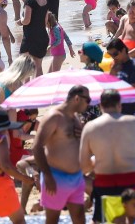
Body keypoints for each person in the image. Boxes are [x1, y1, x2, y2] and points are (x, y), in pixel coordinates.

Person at [80, 89, 135, 224]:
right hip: (131, 182)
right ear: (119, 105)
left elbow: (84, 166)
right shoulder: (132, 122)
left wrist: (95, 162)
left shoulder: (90, 127)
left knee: (100, 220)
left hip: (104, 184)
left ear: (100, 106)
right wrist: (132, 142)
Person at [32, 85, 91, 224]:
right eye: (87, 100)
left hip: (76, 177)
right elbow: (37, 146)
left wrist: (82, 135)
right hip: (56, 176)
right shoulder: (54, 117)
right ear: (77, 98)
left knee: (79, 218)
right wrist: (47, 175)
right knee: (52, 220)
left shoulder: (76, 118)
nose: (89, 103)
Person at [105, 39, 135, 116]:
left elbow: (134, 90)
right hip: (117, 110)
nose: (113, 57)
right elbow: (108, 88)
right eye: (110, 54)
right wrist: (112, 73)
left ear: (123, 50)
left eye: (115, 54)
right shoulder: (115, 66)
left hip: (131, 110)